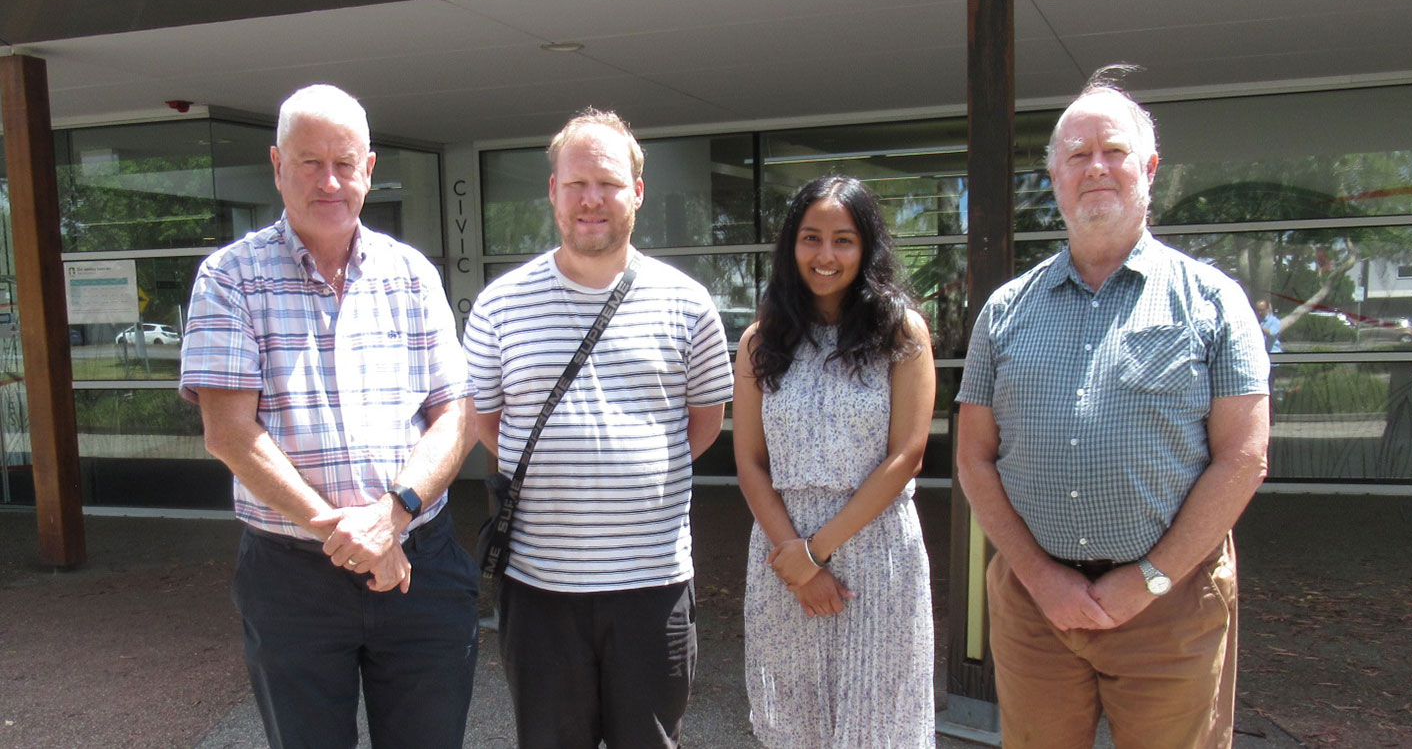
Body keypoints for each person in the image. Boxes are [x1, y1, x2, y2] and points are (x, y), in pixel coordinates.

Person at [955, 70, 1270, 749]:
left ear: (1149, 168)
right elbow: (974, 457)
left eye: (1114, 151)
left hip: (1171, 606)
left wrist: (1149, 579)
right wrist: (1041, 579)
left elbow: (1244, 456)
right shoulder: (1004, 313)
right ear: (1055, 179)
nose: (1095, 167)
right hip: (1036, 607)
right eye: (1076, 155)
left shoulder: (1213, 303)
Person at [180, 84, 481, 749]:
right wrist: (351, 538)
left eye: (344, 162)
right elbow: (229, 434)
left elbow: (457, 414)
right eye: (309, 161)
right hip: (293, 580)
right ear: (277, 165)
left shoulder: (411, 275)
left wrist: (392, 517)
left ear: (369, 170)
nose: (329, 180)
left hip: (419, 565)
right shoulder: (230, 278)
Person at [462, 108, 734, 748]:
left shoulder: (688, 303)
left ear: (637, 191)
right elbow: (486, 423)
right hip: (539, 587)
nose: (592, 199)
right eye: (575, 183)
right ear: (552, 192)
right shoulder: (500, 306)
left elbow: (703, 425)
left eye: (608, 183)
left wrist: (631, 473)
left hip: (653, 586)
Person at [734, 176, 937, 748]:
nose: (826, 255)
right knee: (797, 722)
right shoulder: (760, 340)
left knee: (881, 720)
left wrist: (816, 553)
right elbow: (749, 462)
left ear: (866, 247)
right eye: (811, 238)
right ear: (791, 246)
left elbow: (908, 455)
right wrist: (794, 558)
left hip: (877, 547)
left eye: (843, 240)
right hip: (782, 548)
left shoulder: (900, 332)